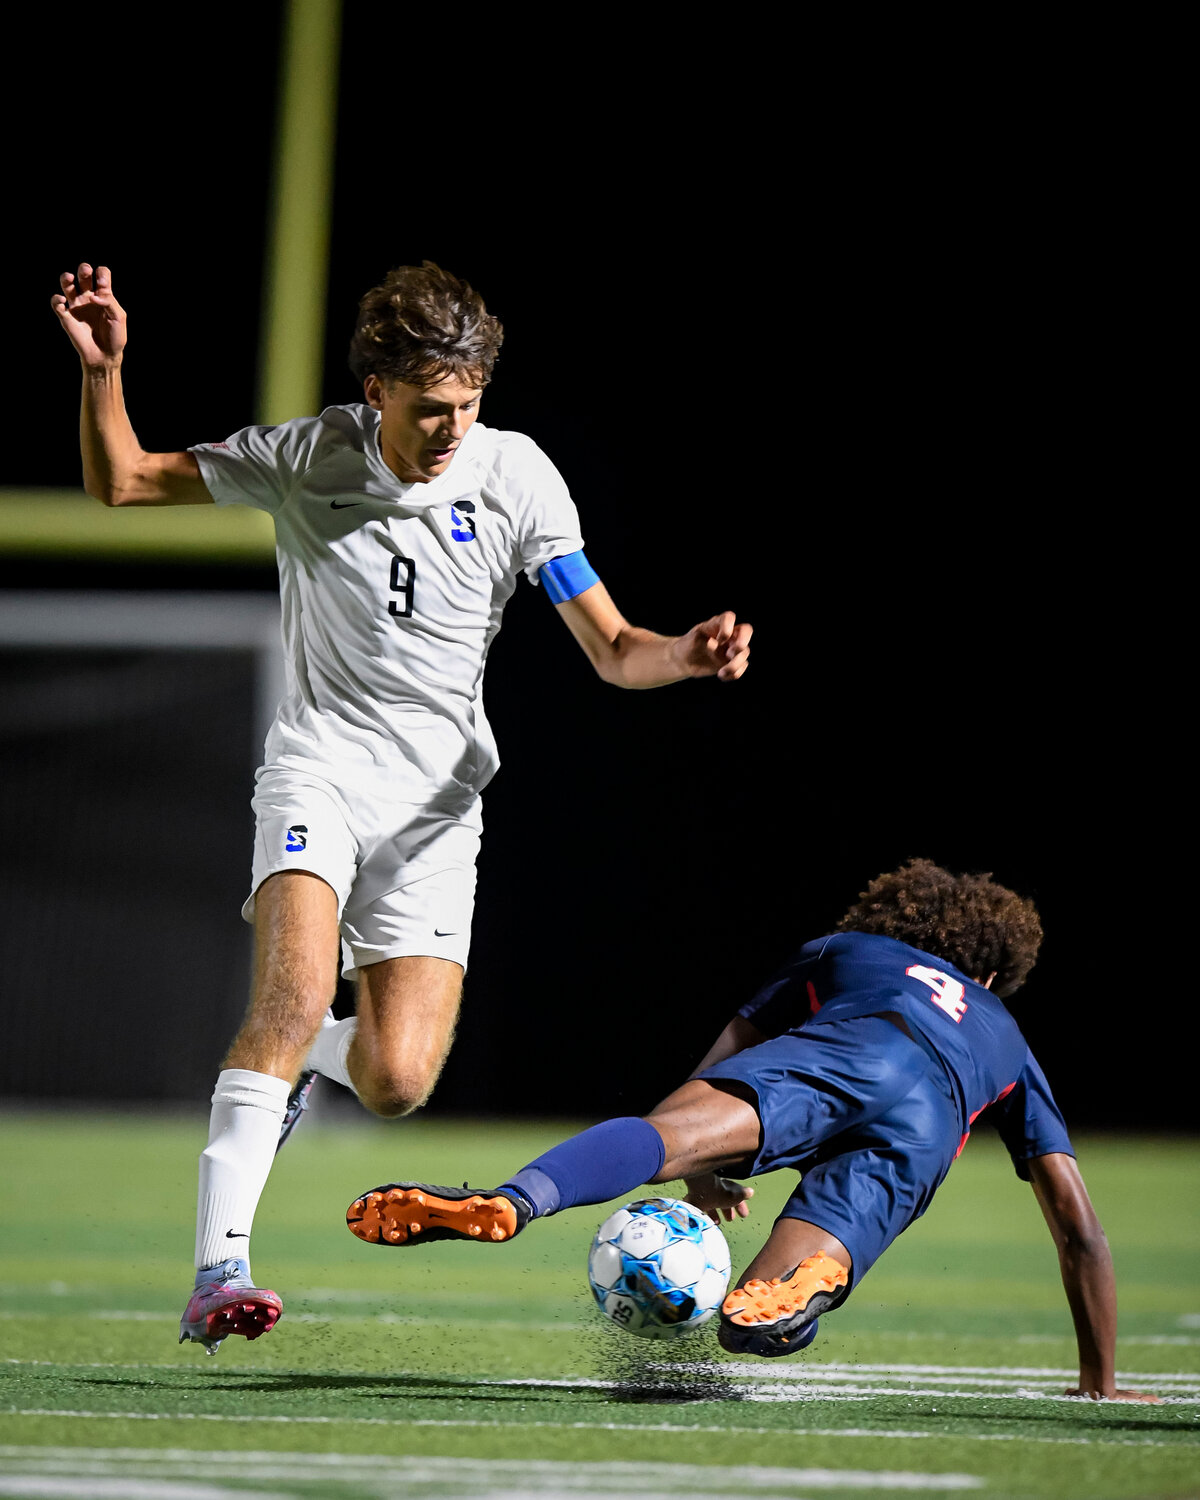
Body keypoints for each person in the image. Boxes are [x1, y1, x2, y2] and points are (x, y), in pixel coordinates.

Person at [51, 261, 753, 1355]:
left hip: (437, 811)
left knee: (393, 1081)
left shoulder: (516, 476)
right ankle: (217, 1270)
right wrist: (106, 373)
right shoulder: (304, 457)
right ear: (375, 389)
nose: (451, 429)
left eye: (468, 405)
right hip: (317, 775)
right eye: (431, 407)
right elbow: (126, 483)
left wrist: (689, 656)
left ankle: (291, 1069)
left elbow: (617, 653)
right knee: (285, 1003)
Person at [345, 858, 1158, 1402]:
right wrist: (1099, 1379)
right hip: (924, 1123)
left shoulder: (849, 948)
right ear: (988, 973)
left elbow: (727, 1053)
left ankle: (513, 1202)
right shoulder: (1006, 1036)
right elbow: (1078, 1227)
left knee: (654, 1139)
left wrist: (689, 1154)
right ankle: (810, 1282)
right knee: (748, 1324)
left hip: (844, 1052)